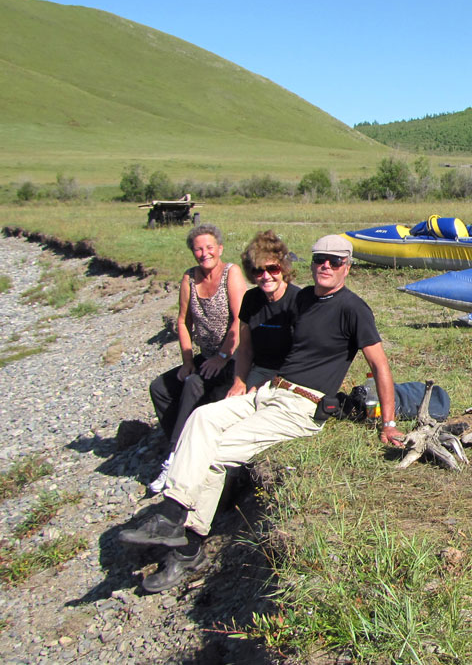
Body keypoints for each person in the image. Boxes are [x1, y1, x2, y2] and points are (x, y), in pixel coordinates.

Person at [120, 234, 404, 593]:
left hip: (301, 406)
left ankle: (187, 544)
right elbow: (264, 332)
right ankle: (172, 516)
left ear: (347, 266)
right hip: (270, 390)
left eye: (335, 261)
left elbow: (380, 366)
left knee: (218, 453)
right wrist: (243, 377)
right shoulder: (301, 299)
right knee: (202, 418)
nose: (326, 267)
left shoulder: (354, 309)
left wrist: (388, 423)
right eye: (320, 260)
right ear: (311, 263)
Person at [148, 224, 246, 492]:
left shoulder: (231, 273)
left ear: (220, 249)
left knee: (194, 385)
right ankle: (180, 447)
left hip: (236, 357)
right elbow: (182, 322)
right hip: (206, 357)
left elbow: (241, 320)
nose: (204, 253)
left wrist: (223, 356)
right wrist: (188, 360)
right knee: (160, 387)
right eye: (198, 249)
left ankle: (174, 461)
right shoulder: (189, 278)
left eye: (209, 247)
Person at [227, 230, 300, 397]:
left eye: (272, 269)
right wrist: (239, 382)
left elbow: (302, 354)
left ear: (283, 268)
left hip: (291, 372)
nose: (266, 276)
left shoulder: (298, 301)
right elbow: (244, 348)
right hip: (261, 369)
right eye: (258, 271)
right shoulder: (250, 299)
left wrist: (267, 383)